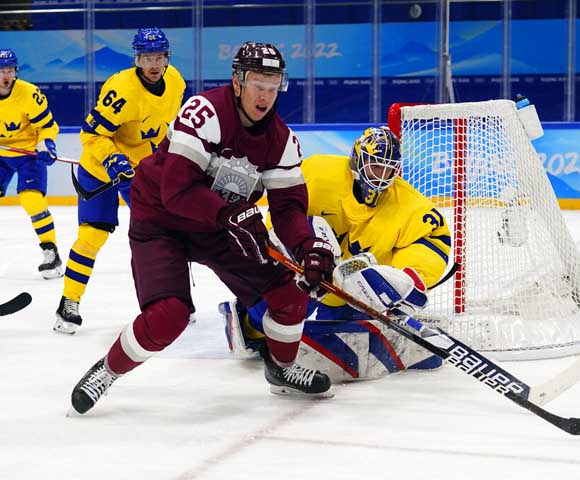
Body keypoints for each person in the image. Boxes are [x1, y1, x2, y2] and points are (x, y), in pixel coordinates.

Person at [68, 41, 336, 415]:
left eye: (273, 87)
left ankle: (283, 369)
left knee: (291, 294)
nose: (266, 96)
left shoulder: (282, 141)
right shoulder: (203, 112)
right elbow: (176, 191)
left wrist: (307, 246)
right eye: (258, 84)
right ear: (238, 81)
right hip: (162, 218)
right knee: (168, 316)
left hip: (218, 224)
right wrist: (232, 215)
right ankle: (107, 370)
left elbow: (288, 208)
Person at [220, 126, 452, 382]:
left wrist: (407, 277)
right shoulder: (318, 173)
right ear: (357, 160)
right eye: (375, 166)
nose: (382, 176)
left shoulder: (409, 205)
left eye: (388, 169)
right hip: (310, 270)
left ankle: (315, 337)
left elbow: (433, 240)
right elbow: (285, 212)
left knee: (361, 341)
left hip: (355, 292)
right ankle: (249, 323)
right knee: (294, 290)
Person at [54, 27, 186, 335]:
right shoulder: (122, 89)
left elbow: (170, 126)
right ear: (137, 59)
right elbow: (91, 134)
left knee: (162, 235)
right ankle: (68, 303)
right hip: (100, 171)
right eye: (147, 57)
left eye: (159, 57)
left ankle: (174, 302)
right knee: (91, 237)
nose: (154, 64)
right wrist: (112, 158)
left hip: (139, 174)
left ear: (167, 58)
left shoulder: (176, 81)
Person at [0, 48, 63, 279]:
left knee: (31, 199)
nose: (5, 75)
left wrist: (46, 144)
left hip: (28, 153)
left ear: (15, 72)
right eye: (0, 70)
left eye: (9, 70)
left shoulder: (29, 93)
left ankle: (51, 251)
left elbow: (47, 125)